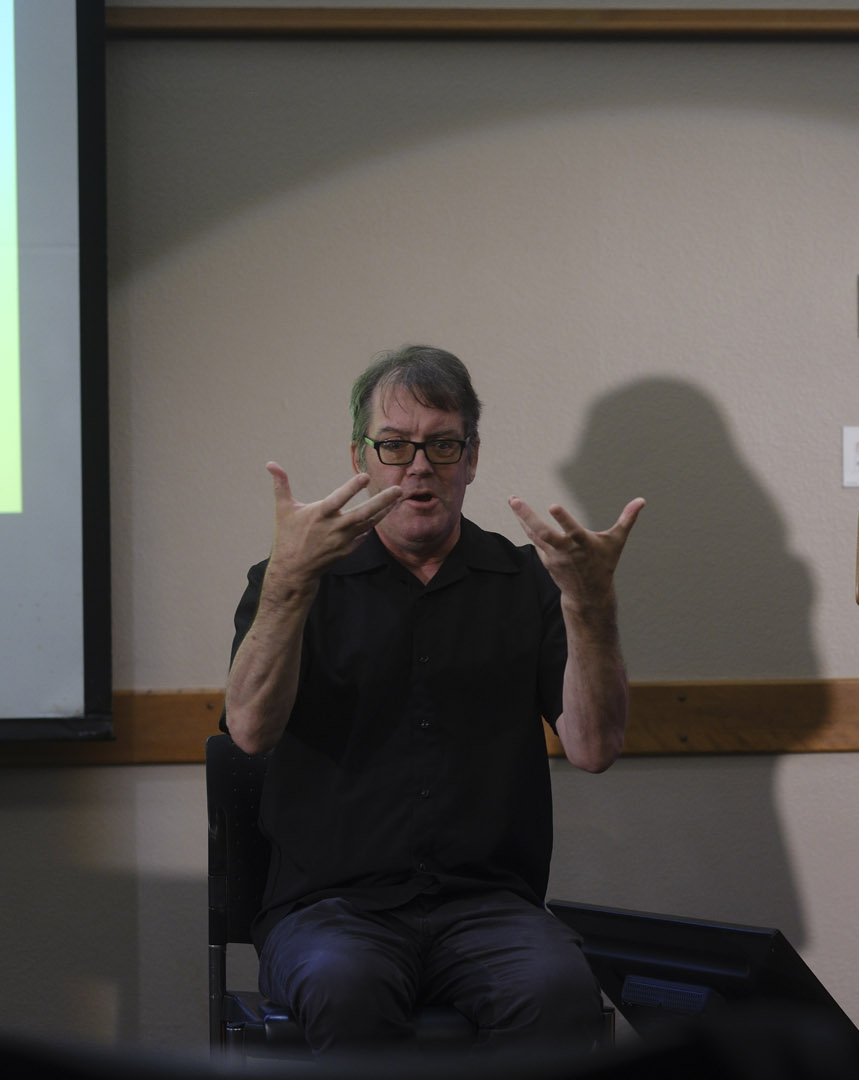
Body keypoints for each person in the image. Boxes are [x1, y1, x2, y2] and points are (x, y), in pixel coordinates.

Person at [223, 345, 644, 1053]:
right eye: (394, 445)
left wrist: (591, 604)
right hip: (331, 910)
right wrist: (290, 586)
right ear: (360, 457)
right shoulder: (295, 578)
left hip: (488, 908)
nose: (419, 466)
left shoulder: (524, 582)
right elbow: (251, 733)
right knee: (343, 987)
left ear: (471, 457)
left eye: (442, 444)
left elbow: (594, 749)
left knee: (559, 991)